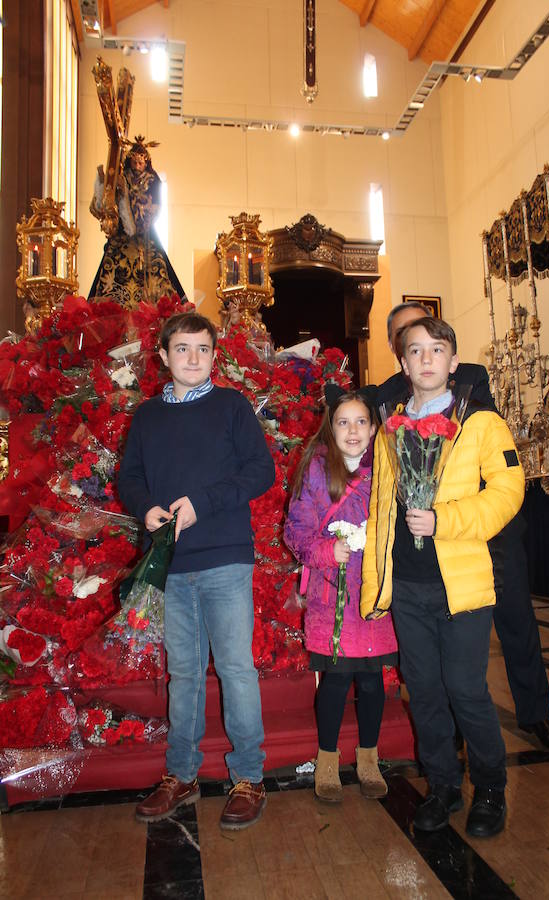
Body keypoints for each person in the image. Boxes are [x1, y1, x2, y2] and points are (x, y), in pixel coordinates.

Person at [377, 301, 549, 754]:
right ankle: (455, 738)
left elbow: (490, 453)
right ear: (397, 348)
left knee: (518, 624)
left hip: (490, 532)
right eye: (409, 337)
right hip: (428, 547)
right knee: (441, 662)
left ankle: (536, 713)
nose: (424, 351)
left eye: (433, 340)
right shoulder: (389, 396)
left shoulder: (469, 379)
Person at [362, 316, 525, 837]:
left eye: (437, 350)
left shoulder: (481, 423)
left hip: (462, 585)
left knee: (466, 690)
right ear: (403, 362)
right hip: (408, 587)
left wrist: (444, 520)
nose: (427, 358)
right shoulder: (389, 429)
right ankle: (444, 786)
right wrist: (376, 580)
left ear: (454, 364)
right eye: (416, 350)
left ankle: (492, 789)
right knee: (426, 692)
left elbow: (506, 493)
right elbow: (380, 507)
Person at [118, 311, 275, 829]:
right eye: (182, 349)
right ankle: (181, 774)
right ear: (163, 355)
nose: (192, 358)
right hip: (171, 564)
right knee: (183, 672)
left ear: (214, 355)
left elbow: (261, 470)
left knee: (235, 669)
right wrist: (146, 509)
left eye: (202, 349)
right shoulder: (147, 416)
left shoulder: (231, 406)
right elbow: (131, 476)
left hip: (225, 556)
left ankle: (248, 777)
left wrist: (201, 504)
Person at [284, 386, 398, 803]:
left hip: (372, 593)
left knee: (372, 682)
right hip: (331, 595)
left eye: (361, 422)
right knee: (335, 681)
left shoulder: (386, 467)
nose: (353, 431)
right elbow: (295, 533)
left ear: (373, 428)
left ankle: (368, 757)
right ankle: (328, 759)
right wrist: (327, 551)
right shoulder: (316, 470)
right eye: (343, 422)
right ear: (330, 427)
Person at [89, 135, 186, 307]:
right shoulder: (122, 176)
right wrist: (105, 186)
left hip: (145, 242)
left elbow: (150, 209)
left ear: (146, 163)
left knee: (157, 285)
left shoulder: (152, 181)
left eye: (141, 163)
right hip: (120, 240)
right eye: (134, 162)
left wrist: (127, 196)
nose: (137, 166)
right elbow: (107, 208)